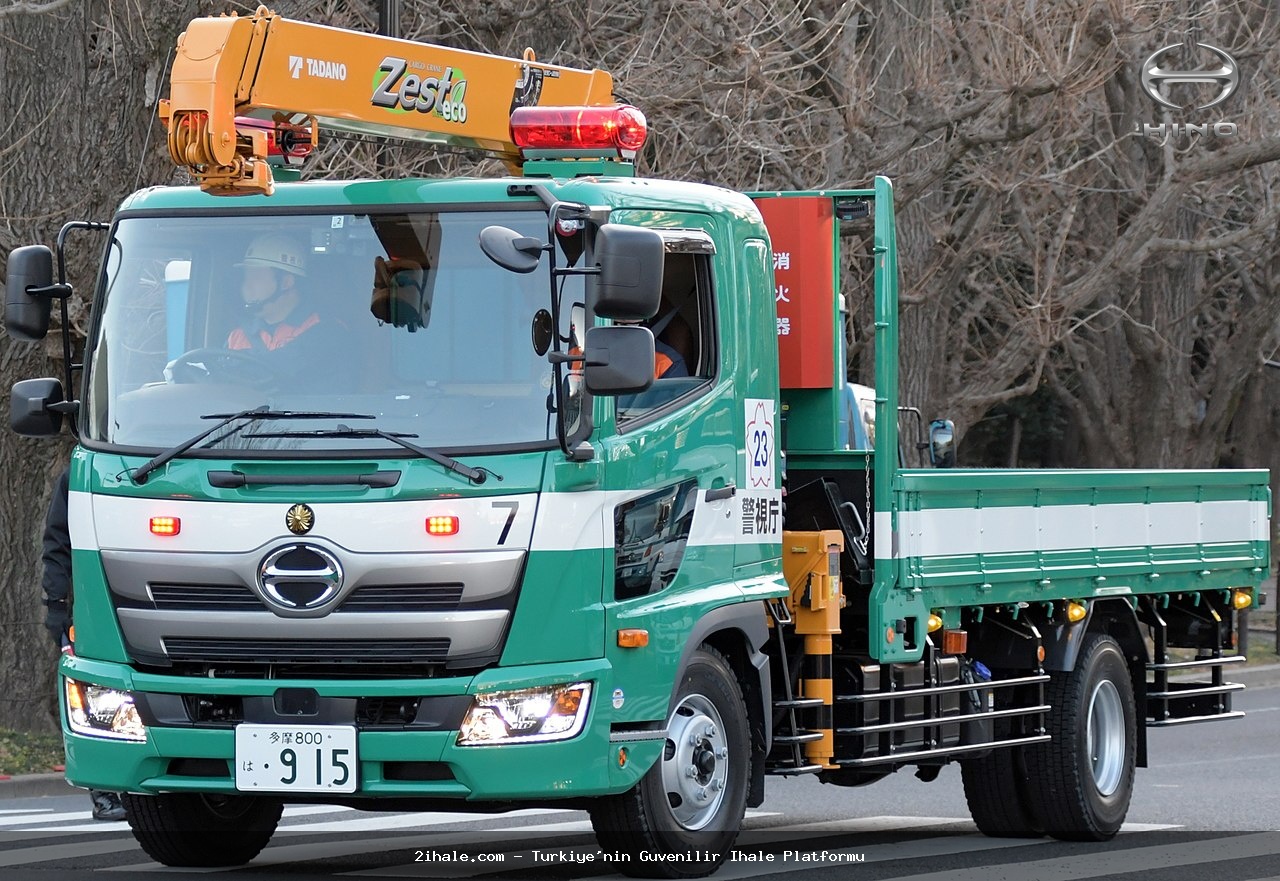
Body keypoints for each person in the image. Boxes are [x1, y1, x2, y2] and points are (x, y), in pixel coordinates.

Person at [42, 468, 126, 822]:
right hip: (89, 606)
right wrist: (58, 606)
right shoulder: (75, 478)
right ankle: (103, 790)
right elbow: (57, 544)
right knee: (96, 694)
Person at [226, 234, 319, 352]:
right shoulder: (237, 337)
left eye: (256, 277)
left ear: (286, 282)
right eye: (246, 277)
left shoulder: (323, 331)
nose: (247, 286)